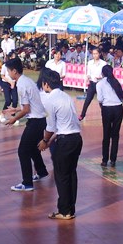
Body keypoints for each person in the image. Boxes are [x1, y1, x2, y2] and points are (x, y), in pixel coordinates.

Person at [38, 70, 82, 220]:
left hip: (65, 141)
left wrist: (45, 141)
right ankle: (70, 209)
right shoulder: (66, 97)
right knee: (71, 174)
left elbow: (50, 127)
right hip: (76, 138)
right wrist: (51, 140)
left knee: (61, 176)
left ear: (46, 84)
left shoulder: (50, 100)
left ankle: (64, 211)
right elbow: (67, 123)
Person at [4, 57, 50, 191]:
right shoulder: (27, 81)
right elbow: (28, 105)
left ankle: (27, 183)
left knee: (23, 151)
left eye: (8, 71)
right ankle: (41, 171)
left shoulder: (22, 85)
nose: (8, 74)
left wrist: (13, 119)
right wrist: (15, 109)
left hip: (35, 121)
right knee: (33, 148)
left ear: (14, 71)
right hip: (40, 120)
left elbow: (26, 109)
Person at [96, 64, 123, 167]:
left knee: (106, 134)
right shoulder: (116, 81)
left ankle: (104, 160)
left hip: (107, 108)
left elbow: (100, 99)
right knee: (115, 134)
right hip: (118, 108)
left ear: (102, 73)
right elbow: (121, 96)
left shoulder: (100, 84)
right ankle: (113, 159)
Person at [79, 48, 107, 121]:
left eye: (96, 54)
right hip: (92, 83)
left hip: (100, 83)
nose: (95, 55)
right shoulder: (90, 62)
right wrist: (88, 77)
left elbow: (105, 74)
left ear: (99, 54)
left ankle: (105, 115)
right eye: (93, 54)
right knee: (88, 99)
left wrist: (100, 77)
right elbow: (89, 73)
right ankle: (82, 114)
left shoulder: (103, 63)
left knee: (101, 101)